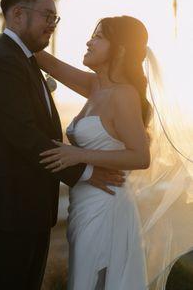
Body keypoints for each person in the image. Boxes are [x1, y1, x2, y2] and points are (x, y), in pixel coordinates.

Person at [0, 0, 125, 290]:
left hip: (23, 214)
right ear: (18, 14)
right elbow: (24, 136)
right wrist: (86, 171)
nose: (52, 25)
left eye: (55, 18)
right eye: (47, 16)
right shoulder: (3, 63)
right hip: (6, 214)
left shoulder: (22, 59)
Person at [36, 15, 151, 289]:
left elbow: (141, 156)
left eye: (98, 36)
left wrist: (79, 155)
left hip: (107, 206)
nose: (89, 41)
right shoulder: (95, 86)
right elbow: (47, 61)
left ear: (120, 49)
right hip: (84, 204)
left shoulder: (123, 95)